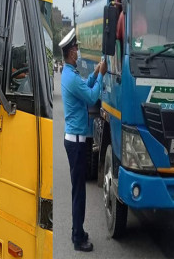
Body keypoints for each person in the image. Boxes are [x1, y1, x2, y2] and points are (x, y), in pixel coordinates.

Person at [59, 28, 107, 252]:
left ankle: (77, 230)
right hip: (76, 142)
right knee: (79, 191)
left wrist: (96, 74)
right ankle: (78, 238)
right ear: (70, 52)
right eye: (76, 49)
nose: (78, 51)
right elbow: (90, 96)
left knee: (79, 190)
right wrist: (103, 76)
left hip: (76, 140)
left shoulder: (70, 74)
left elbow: (85, 87)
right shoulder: (70, 76)